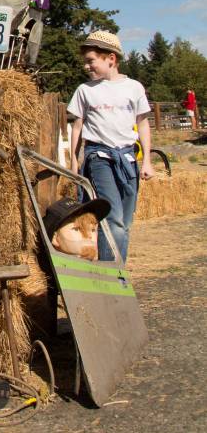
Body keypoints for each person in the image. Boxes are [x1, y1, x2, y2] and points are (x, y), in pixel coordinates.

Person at [68, 29, 154, 262]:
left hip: (127, 158)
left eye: (91, 61)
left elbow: (143, 124)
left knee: (125, 223)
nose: (87, 66)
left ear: (111, 59)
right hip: (99, 157)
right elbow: (77, 127)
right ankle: (112, 276)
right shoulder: (85, 91)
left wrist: (146, 160)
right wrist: (74, 162)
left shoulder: (134, 88)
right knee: (113, 218)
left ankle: (117, 270)